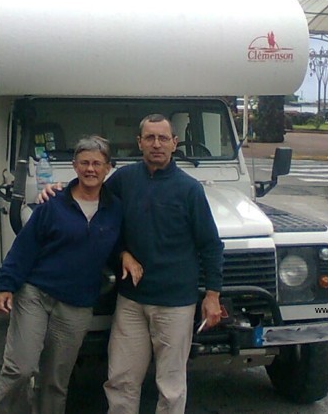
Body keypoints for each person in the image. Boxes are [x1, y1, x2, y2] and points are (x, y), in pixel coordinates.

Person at [41, 114, 224, 414]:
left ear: (174, 144)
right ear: (139, 142)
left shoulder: (190, 190)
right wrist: (54, 194)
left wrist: (213, 296)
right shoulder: (124, 181)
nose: (156, 144)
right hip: (132, 301)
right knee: (121, 381)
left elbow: (210, 245)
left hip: (175, 304)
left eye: (163, 138)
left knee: (171, 386)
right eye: (150, 138)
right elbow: (94, 210)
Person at [0, 135, 142, 414]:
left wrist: (124, 254)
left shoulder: (115, 210)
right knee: (20, 369)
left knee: (55, 380)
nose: (90, 169)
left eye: (97, 163)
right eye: (84, 163)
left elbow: (115, 242)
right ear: (74, 166)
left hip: (76, 304)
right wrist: (5, 286)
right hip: (35, 294)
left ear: (108, 168)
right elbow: (23, 248)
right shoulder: (52, 203)